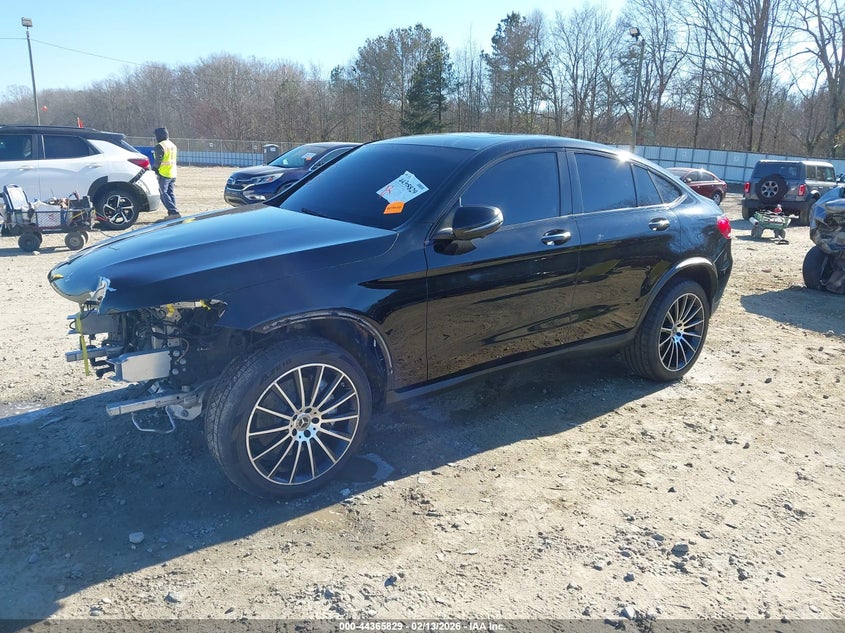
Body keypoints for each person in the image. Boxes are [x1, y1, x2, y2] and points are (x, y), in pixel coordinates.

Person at [152, 127, 180, 219]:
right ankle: (172, 213)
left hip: (164, 173)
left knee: (162, 193)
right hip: (172, 172)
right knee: (170, 193)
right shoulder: (172, 145)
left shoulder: (160, 146)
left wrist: (155, 169)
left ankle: (173, 212)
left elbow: (158, 160)